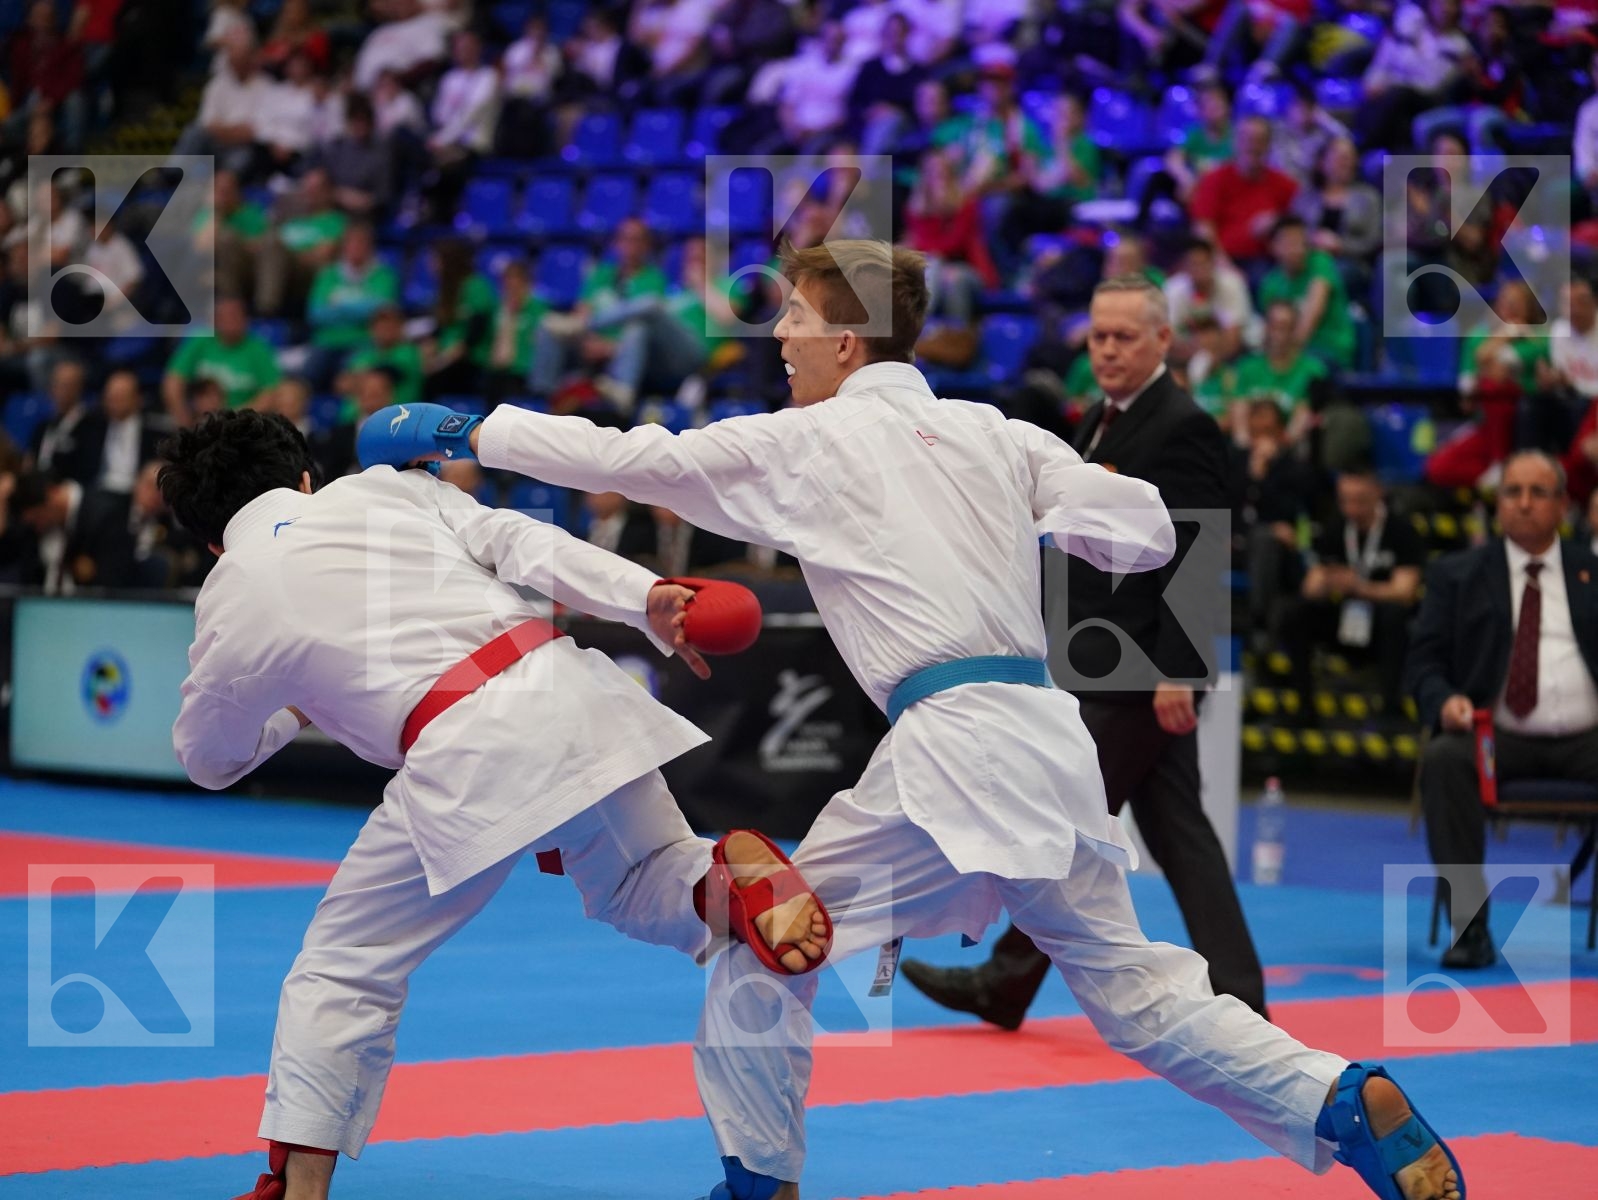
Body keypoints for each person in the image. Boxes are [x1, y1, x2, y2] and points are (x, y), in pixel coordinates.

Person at [359, 241, 1464, 1200]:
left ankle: (756, 1180)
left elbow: (634, 460)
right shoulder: (995, 430)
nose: (778, 335)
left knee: (762, 933)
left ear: (847, 342)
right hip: (1045, 736)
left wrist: (470, 429)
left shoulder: (810, 443)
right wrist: (1068, 509)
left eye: (794, 316)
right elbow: (1143, 530)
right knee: (1135, 993)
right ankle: (1335, 1097)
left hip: (952, 747)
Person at [158, 409, 831, 1200]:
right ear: (306, 477)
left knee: (345, 968)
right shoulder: (386, 491)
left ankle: (297, 1189)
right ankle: (719, 884)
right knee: (639, 878)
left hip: (464, 750)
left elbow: (207, 760)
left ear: (209, 539)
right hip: (567, 687)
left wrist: (292, 710)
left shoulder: (232, 591)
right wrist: (647, 594)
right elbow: (523, 542)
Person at [905, 273, 1270, 1024]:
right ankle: (1238, 994)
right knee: (1179, 836)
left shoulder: (1181, 425)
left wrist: (1181, 668)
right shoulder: (1104, 422)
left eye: (1124, 337)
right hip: (1104, 661)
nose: (1106, 349)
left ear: (1163, 341)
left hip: (1138, 669)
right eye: (1098, 336)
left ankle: (1005, 982)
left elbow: (1198, 548)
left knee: (1065, 826)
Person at [1404, 450, 1598, 969]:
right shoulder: (1458, 574)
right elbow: (1422, 662)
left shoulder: (1590, 572)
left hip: (1588, 739)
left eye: (1539, 493)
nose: (1525, 504)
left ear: (1562, 503)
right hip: (1497, 738)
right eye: (1513, 492)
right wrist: (1444, 700)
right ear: (1497, 504)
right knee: (1446, 758)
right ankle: (1468, 929)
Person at [1279, 468, 1425, 714]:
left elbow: (1405, 591)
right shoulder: (1335, 528)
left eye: (1360, 500)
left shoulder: (1401, 530)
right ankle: (1304, 706)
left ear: (1378, 493)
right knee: (1295, 612)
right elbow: (1310, 587)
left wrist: (1359, 587)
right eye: (1345, 500)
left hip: (1383, 625)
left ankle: (1392, 707)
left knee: (1395, 616)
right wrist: (1327, 580)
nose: (1352, 509)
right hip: (1344, 619)